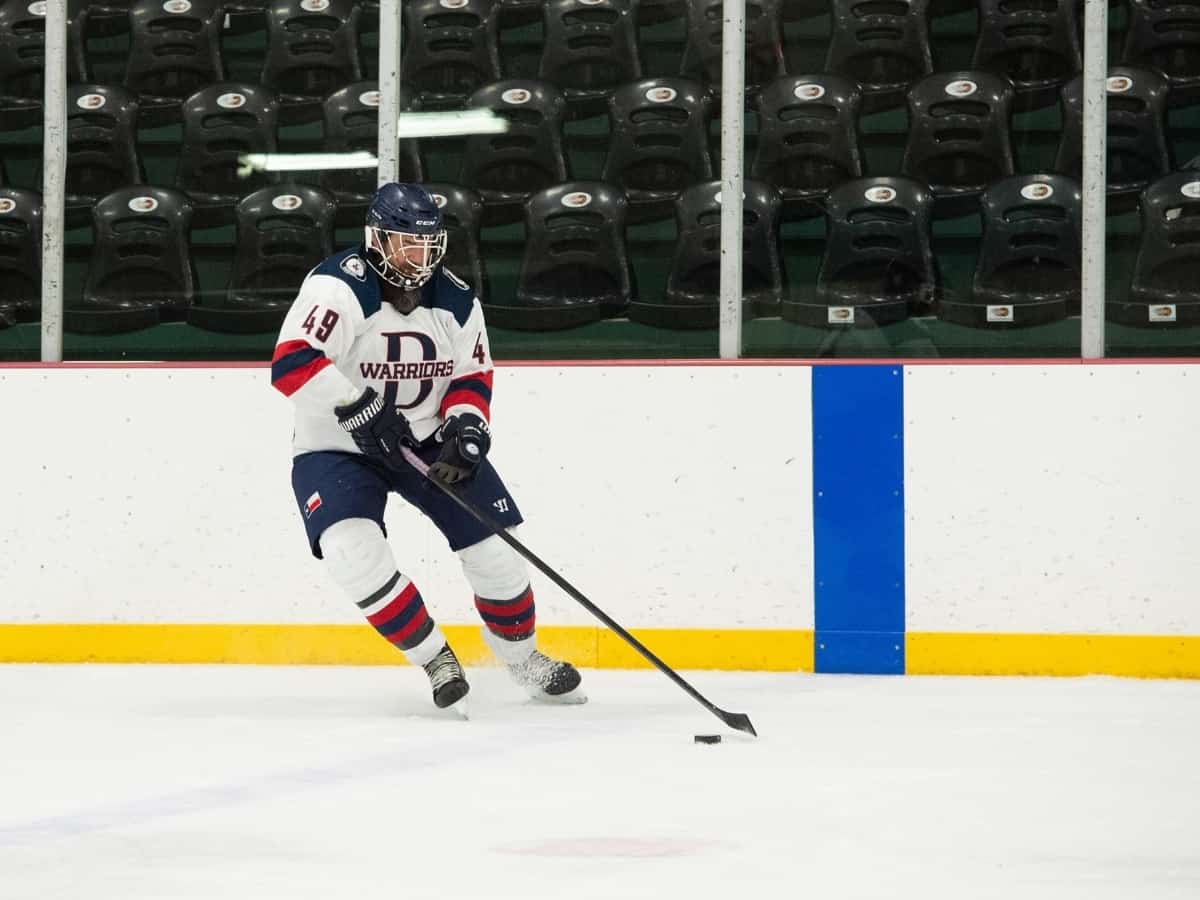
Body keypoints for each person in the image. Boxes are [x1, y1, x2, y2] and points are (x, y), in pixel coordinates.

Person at [270, 182, 585, 712]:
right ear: (376, 240)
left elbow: (472, 374)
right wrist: (358, 402)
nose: (416, 259)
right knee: (351, 551)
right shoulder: (338, 289)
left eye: (424, 246)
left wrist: (466, 428)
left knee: (498, 555)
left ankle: (523, 657)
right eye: (403, 245)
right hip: (336, 445)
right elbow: (292, 363)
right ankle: (435, 658)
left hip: (425, 439)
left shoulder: (456, 299)